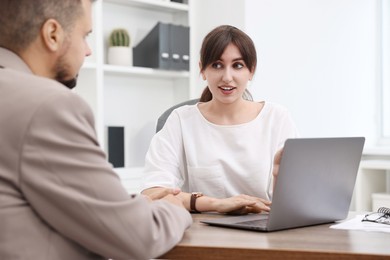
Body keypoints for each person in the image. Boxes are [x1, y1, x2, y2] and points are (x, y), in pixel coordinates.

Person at [0, 1, 191, 259]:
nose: (89, 51)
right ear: (52, 34)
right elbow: (140, 237)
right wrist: (174, 207)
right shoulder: (46, 105)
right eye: (85, 35)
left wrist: (128, 207)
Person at [141, 25, 299, 214]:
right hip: (205, 233)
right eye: (217, 65)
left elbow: (299, 197)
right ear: (202, 69)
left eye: (237, 65)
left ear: (251, 71)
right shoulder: (181, 120)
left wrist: (279, 177)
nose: (227, 77)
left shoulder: (277, 118)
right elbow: (153, 193)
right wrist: (216, 204)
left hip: (265, 231)